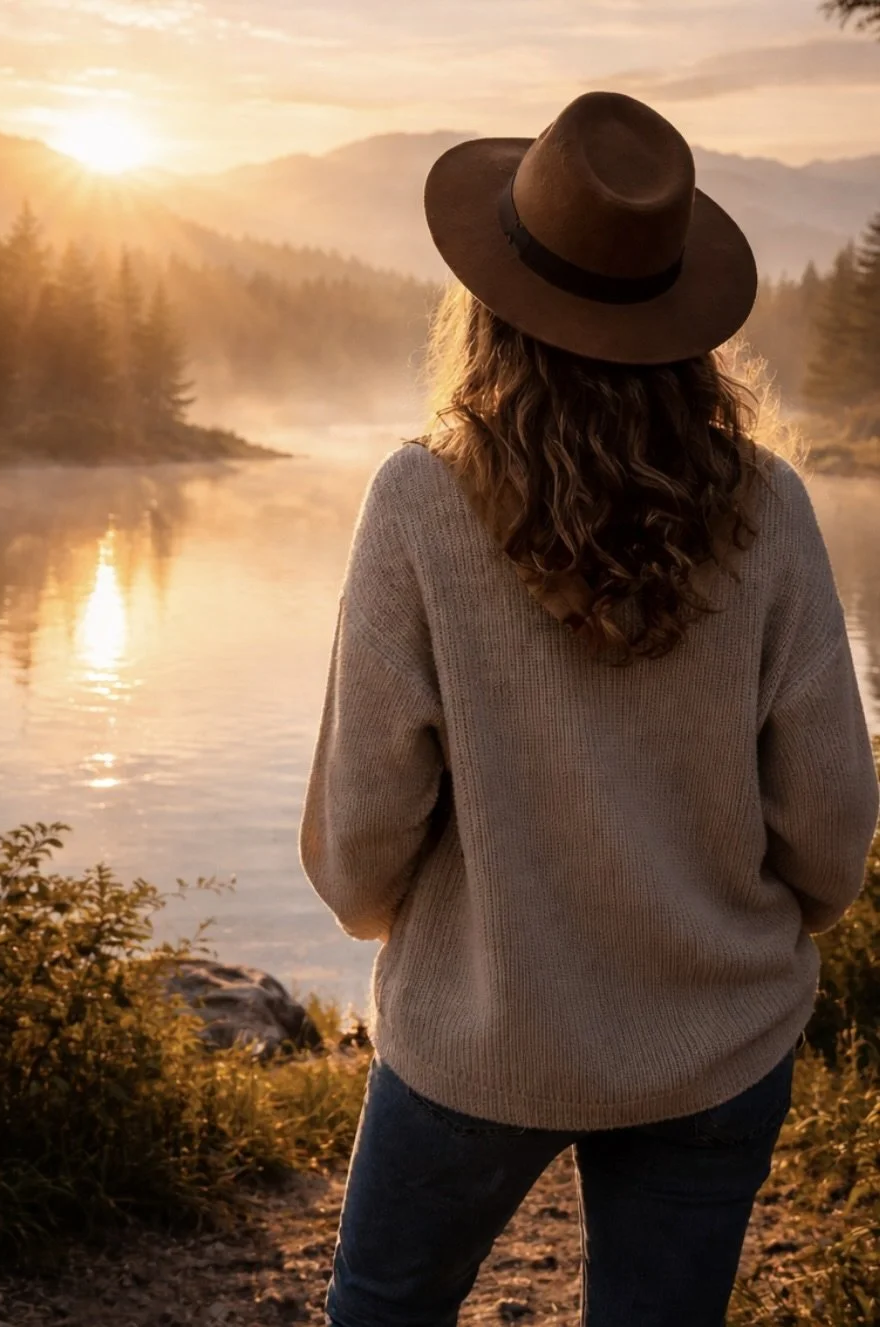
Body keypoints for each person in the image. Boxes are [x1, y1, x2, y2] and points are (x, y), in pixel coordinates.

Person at [298, 90, 880, 1327]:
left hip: (481, 1033)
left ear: (491, 308)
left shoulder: (419, 501)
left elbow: (361, 834)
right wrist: (761, 920)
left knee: (381, 1308)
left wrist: (408, 926)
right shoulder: (768, 508)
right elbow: (831, 825)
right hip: (713, 1035)